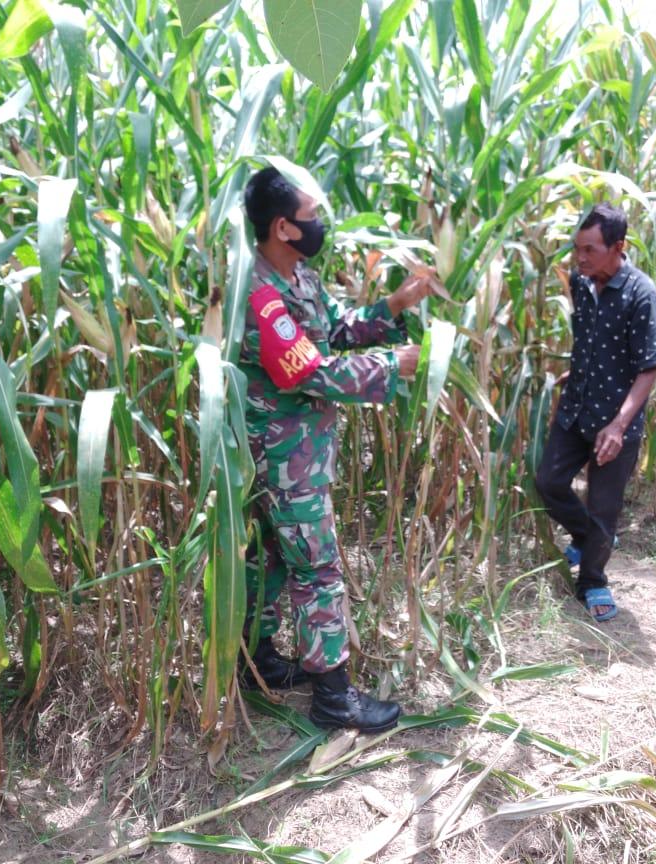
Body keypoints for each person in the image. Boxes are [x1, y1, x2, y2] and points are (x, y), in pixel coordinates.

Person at [237, 166, 431, 732]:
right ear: (282, 227)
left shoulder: (298, 277)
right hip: (283, 458)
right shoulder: (261, 296)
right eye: (310, 217)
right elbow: (308, 372)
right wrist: (390, 367)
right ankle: (333, 697)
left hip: (299, 452)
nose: (319, 225)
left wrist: (393, 305)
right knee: (317, 568)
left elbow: (334, 331)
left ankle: (257, 661)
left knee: (273, 557)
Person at [534, 203, 656, 622]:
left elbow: (648, 368)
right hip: (576, 408)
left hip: (615, 420)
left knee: (604, 505)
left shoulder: (641, 294)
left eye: (590, 249)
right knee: (548, 482)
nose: (581, 258)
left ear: (618, 247)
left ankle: (592, 579)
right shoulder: (580, 281)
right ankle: (590, 537)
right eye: (578, 249)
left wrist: (619, 425)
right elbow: (592, 339)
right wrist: (577, 371)